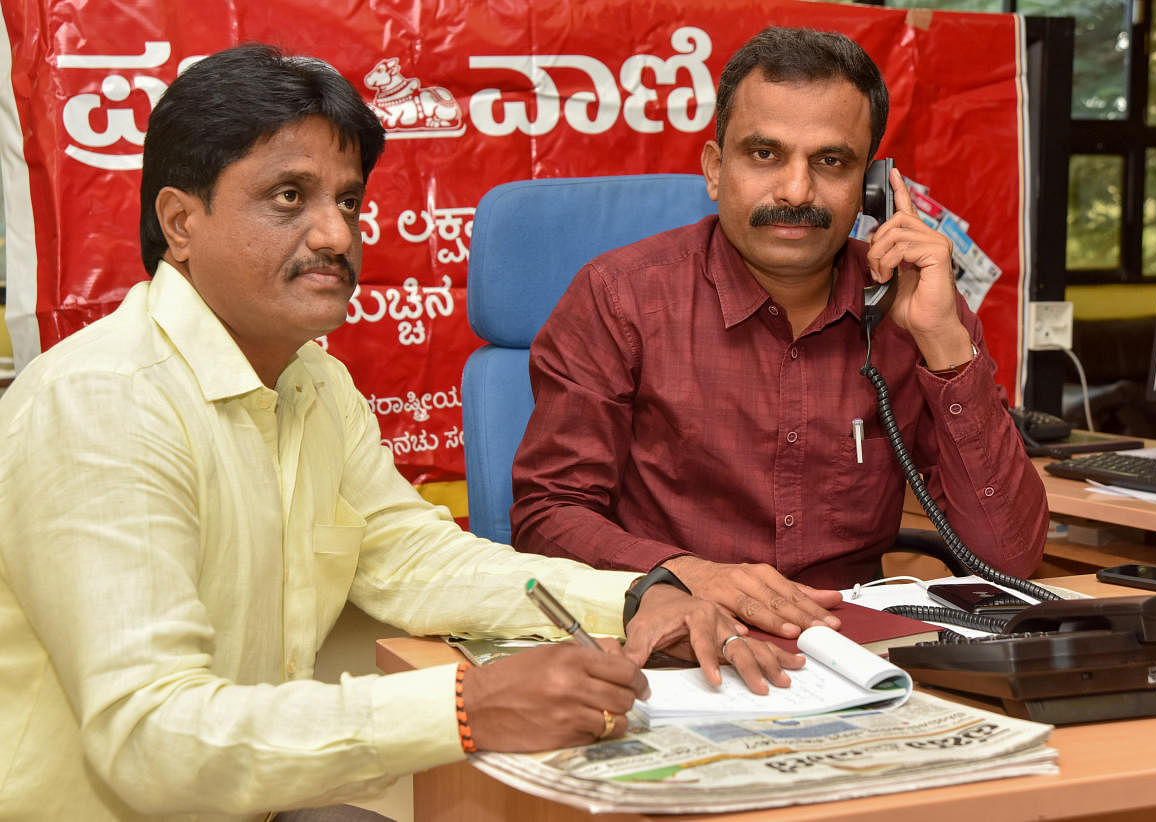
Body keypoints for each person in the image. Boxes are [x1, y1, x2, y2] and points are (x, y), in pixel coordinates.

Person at [0, 44, 799, 822]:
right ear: (180, 220)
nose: (336, 236)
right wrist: (465, 704)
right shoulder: (104, 404)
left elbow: (411, 554)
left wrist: (632, 597)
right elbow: (151, 738)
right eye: (289, 197)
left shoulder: (311, 379)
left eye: (346, 200)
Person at [510, 27, 1049, 639]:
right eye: (764, 154)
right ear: (716, 170)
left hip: (856, 648)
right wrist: (688, 574)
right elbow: (549, 515)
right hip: (679, 636)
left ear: (872, 187)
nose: (796, 191)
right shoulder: (620, 298)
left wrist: (946, 345)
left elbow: (1010, 560)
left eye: (831, 161)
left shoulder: (911, 309)